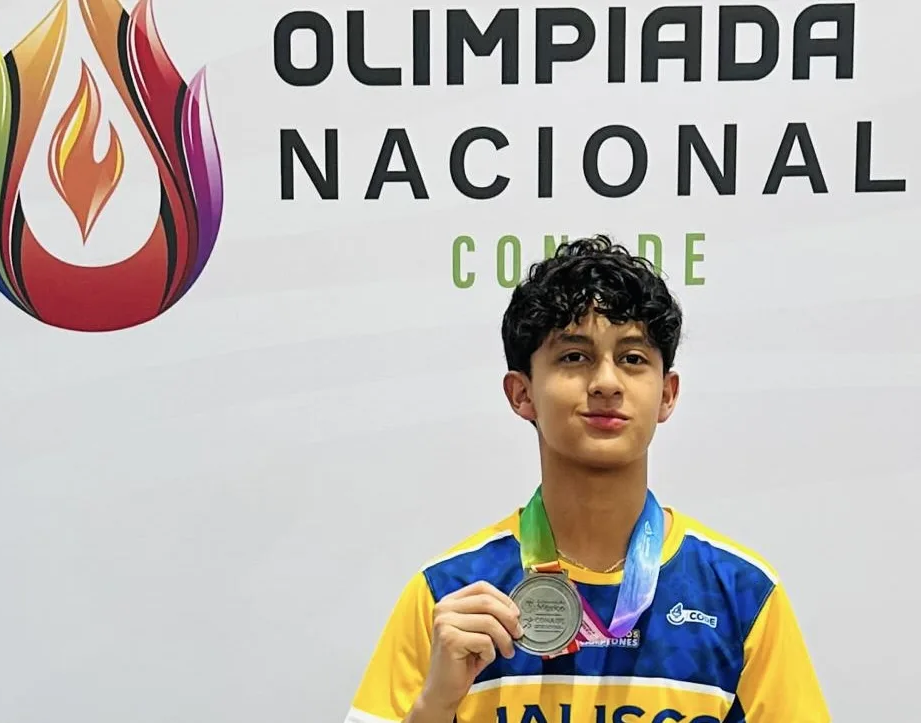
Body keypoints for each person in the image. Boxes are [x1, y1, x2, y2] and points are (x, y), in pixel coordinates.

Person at [344, 236, 829, 723]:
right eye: (574, 356)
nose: (606, 382)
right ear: (522, 394)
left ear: (667, 394)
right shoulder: (449, 595)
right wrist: (435, 706)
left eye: (633, 358)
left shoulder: (742, 596)